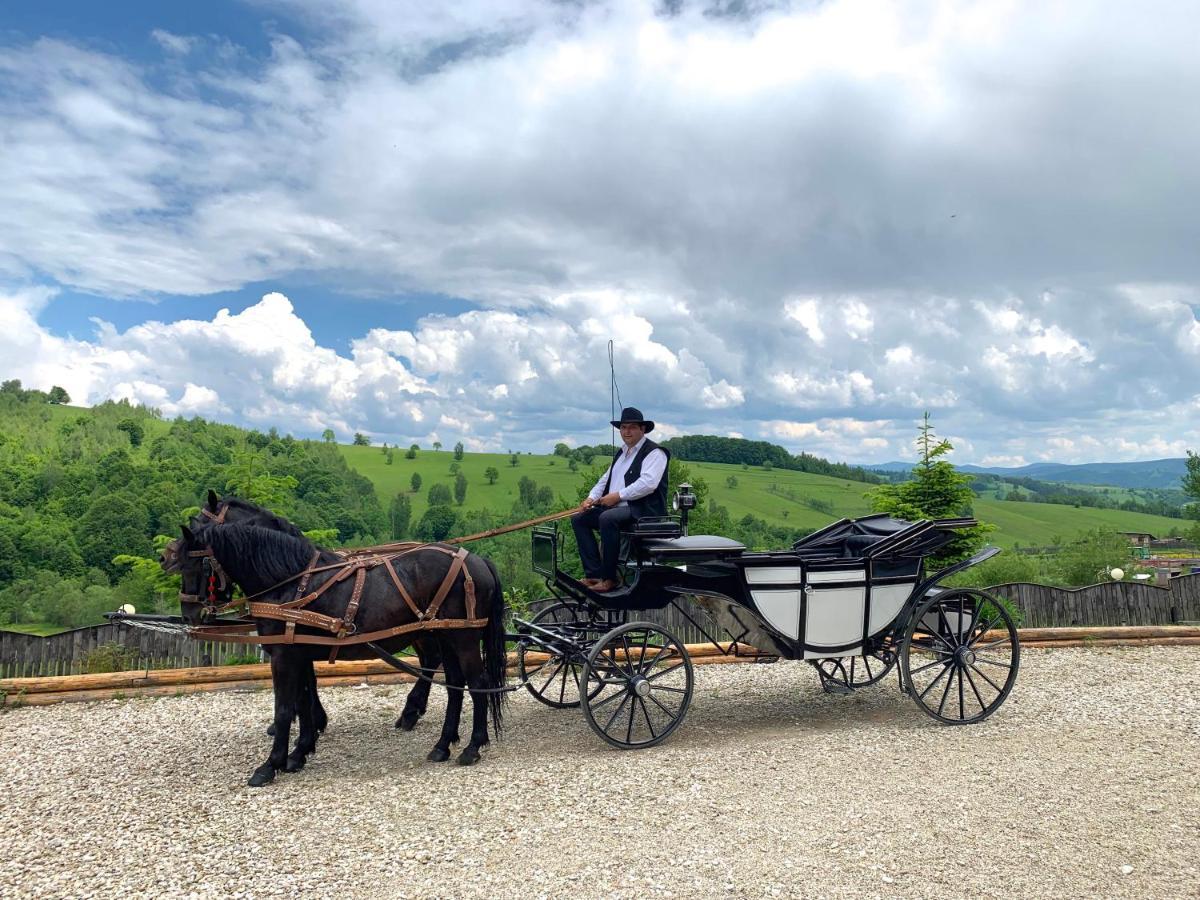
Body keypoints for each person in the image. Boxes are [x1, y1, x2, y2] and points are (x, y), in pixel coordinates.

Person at [572, 407, 671, 592]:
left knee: (607, 518)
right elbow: (605, 479)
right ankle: (593, 574)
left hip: (644, 511)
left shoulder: (655, 453)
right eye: (623, 427)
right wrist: (590, 498)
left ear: (642, 429)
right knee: (579, 518)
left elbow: (648, 483)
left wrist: (618, 496)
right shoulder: (622, 452)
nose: (627, 432)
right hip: (620, 509)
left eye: (632, 427)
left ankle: (610, 578)